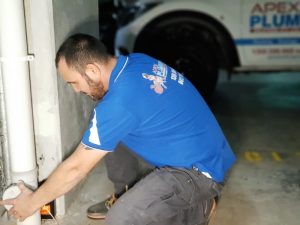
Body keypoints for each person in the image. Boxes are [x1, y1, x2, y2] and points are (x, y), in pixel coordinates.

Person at [0, 33, 236, 225]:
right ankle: (124, 191)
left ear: (92, 71)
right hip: (207, 151)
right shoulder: (136, 62)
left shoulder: (121, 102)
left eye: (73, 82)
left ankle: (199, 209)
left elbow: (75, 168)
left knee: (122, 219)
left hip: (199, 174)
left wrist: (31, 203)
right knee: (104, 133)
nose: (75, 90)